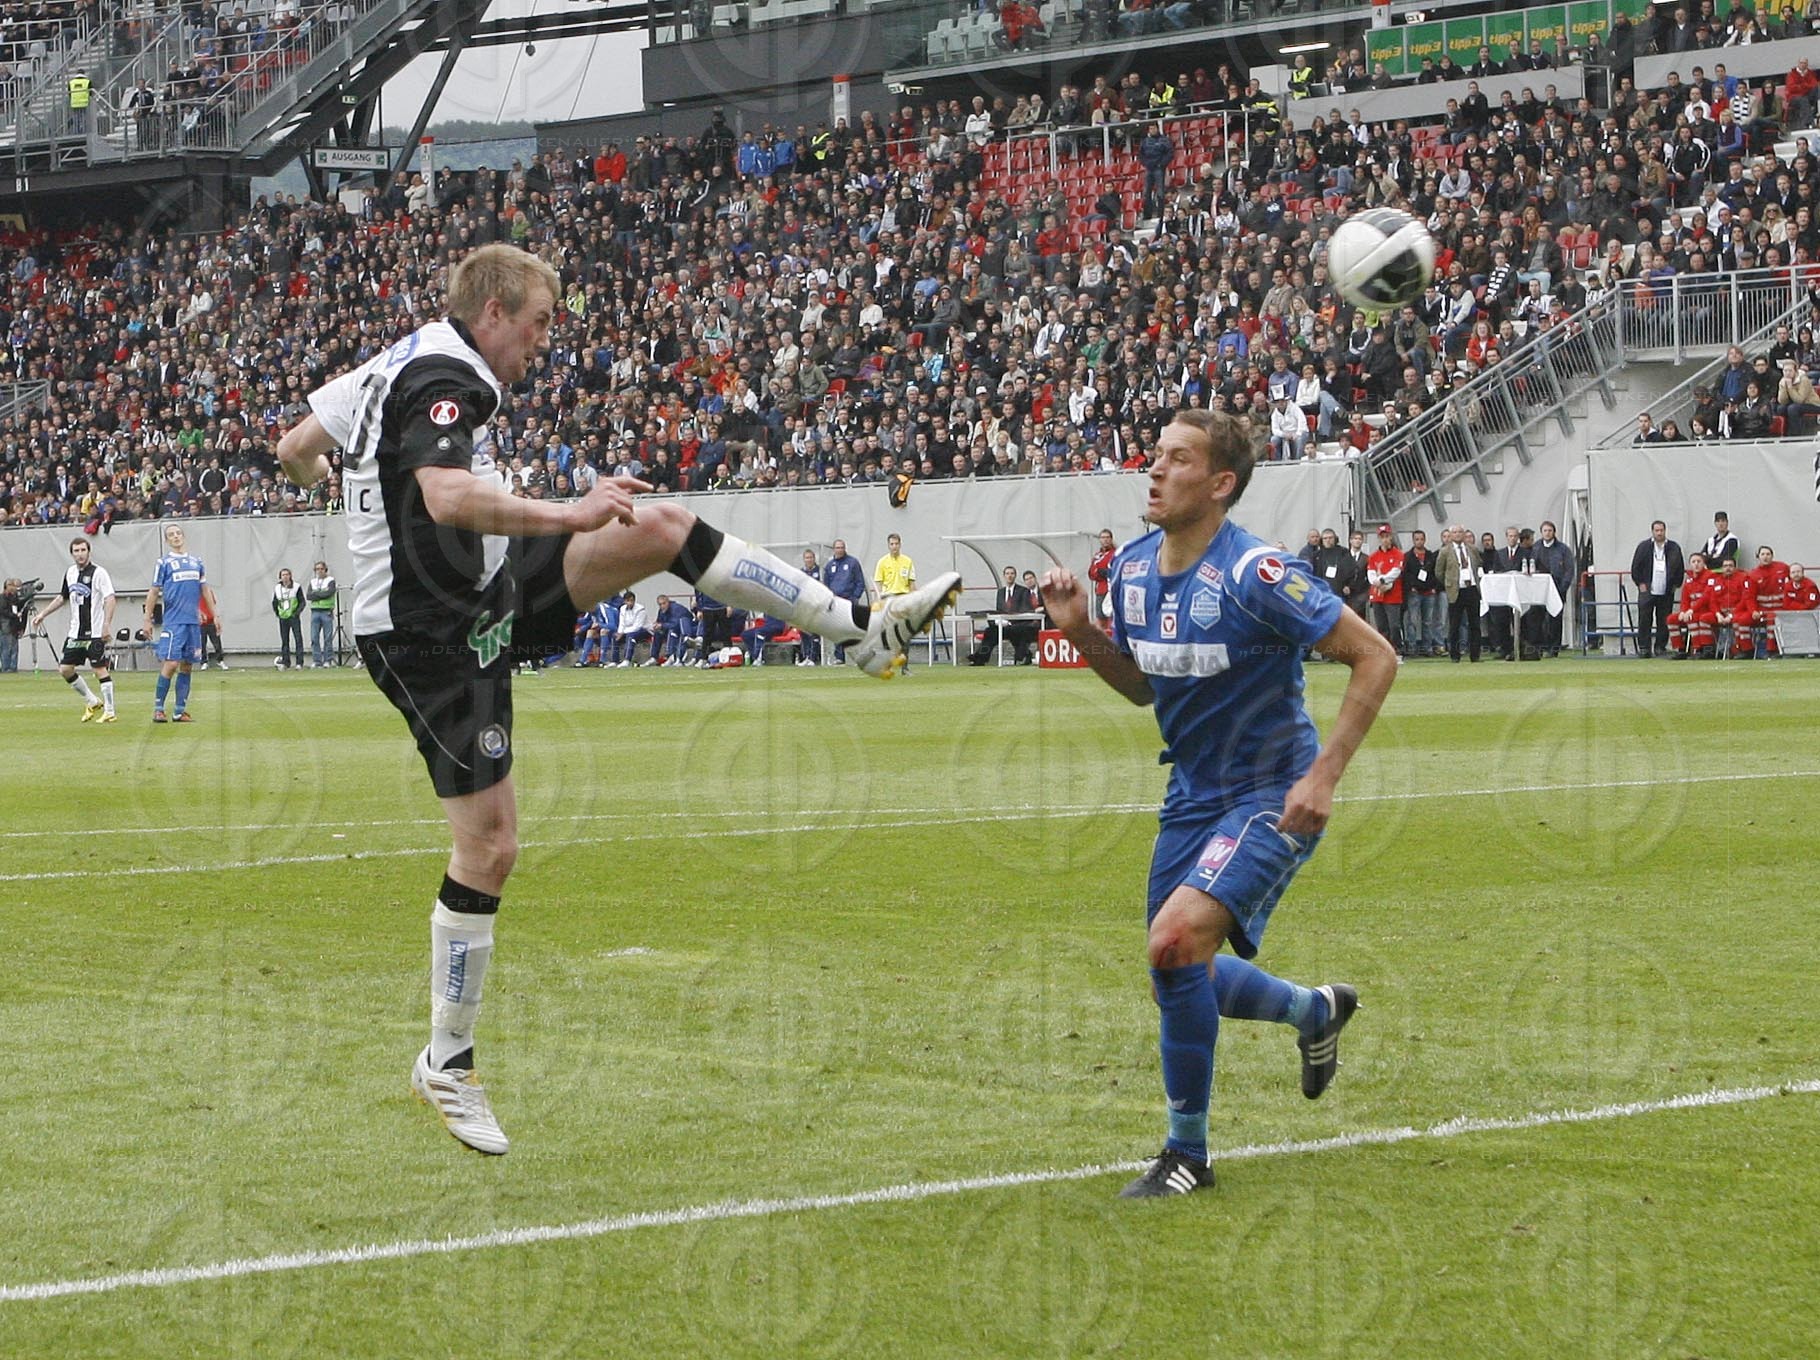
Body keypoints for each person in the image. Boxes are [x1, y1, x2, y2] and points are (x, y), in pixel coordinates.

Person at [276, 243, 960, 1155]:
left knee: (662, 524)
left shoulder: (389, 361)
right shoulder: (448, 371)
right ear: (493, 310)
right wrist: (562, 512)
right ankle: (447, 1061)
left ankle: (861, 630)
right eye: (539, 323)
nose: (543, 343)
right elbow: (442, 496)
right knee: (490, 847)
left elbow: (293, 451)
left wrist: (357, 504)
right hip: (427, 633)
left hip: (475, 591)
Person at [1040, 411, 1396, 1198]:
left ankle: (1187, 1156)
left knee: (1174, 943)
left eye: (1176, 460)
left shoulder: (1257, 574)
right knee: (1175, 965)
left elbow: (1376, 656)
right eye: (1155, 456)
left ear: (1221, 484)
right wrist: (1079, 631)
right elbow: (1141, 688)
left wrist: (1324, 776)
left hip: (1273, 790)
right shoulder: (1130, 571)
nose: (1154, 470)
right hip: (1192, 791)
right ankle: (1313, 1011)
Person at [30, 538, 118, 722]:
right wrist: (43, 614)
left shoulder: (99, 573)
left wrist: (106, 625)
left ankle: (110, 711)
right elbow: (62, 597)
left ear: (89, 551)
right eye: (76, 551)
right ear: (72, 553)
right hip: (75, 632)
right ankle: (92, 700)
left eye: (83, 550)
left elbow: (110, 598)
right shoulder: (70, 573)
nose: (80, 554)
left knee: (99, 668)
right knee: (65, 669)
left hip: (94, 632)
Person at [143, 524, 215, 722]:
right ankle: (158, 708)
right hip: (174, 622)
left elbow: (204, 590)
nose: (175, 537)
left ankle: (179, 710)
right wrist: (147, 619)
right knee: (171, 663)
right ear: (167, 541)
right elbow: (154, 591)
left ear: (183, 536)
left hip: (193, 622)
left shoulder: (196, 562)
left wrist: (214, 615)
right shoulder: (163, 563)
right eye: (171, 535)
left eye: (178, 533)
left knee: (187, 665)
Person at [1629, 520, 1685, 658]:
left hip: (1666, 590)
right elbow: (1635, 566)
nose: (1659, 533)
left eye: (1661, 530)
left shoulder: (1673, 547)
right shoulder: (1643, 547)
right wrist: (1640, 583)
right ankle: (1644, 648)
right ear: (1652, 531)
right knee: (1644, 619)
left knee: (1664, 619)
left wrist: (1675, 585)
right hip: (1648, 590)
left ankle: (1660, 646)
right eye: (1657, 530)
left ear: (1665, 531)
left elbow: (1680, 567)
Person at [971, 565, 1035, 665]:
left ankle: (1025, 654)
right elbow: (999, 610)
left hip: (1017, 625)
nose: (1009, 576)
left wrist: (1010, 621)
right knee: (990, 631)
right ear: (1004, 576)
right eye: (1007, 574)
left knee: (1015, 632)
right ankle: (980, 658)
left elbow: (1025, 610)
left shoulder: (1023, 591)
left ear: (1015, 576)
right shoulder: (1000, 592)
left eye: (1012, 574)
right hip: (1003, 625)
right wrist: (998, 621)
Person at [1438, 525, 1482, 662]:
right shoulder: (1445, 551)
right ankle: (1455, 655)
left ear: (1464, 534)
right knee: (1455, 624)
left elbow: (1479, 565)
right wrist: (1449, 583)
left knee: (1474, 624)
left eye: (1460, 532)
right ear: (1450, 535)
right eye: (1455, 532)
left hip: (1472, 589)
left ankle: (1475, 655)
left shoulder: (1472, 549)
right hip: (1456, 590)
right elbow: (1439, 572)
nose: (1457, 534)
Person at [1533, 521, 1576, 657]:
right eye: (1545, 530)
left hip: (1557, 589)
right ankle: (1540, 647)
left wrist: (1563, 588)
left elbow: (1569, 570)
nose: (1547, 533)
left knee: (1555, 619)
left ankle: (1554, 648)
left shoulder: (1563, 549)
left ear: (1554, 532)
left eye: (1550, 530)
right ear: (1541, 532)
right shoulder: (1536, 548)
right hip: (1539, 590)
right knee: (1538, 619)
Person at [822, 539, 867, 664]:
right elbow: (826, 585)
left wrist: (855, 597)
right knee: (837, 630)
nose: (839, 550)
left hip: (849, 601)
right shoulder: (830, 565)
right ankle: (839, 657)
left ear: (845, 548)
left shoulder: (853, 563)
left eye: (841, 547)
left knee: (854, 628)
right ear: (834, 549)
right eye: (837, 548)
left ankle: (861, 655)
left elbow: (860, 582)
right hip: (836, 602)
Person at [1401, 529, 1443, 658]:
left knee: (1427, 621)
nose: (1419, 541)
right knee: (1412, 621)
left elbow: (1437, 572)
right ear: (1413, 540)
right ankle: (1412, 647)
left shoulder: (1431, 556)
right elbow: (1405, 575)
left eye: (1421, 539)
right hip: (1414, 592)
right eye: (1417, 539)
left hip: (1429, 592)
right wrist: (1411, 587)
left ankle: (1427, 647)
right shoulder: (1407, 556)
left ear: (1425, 540)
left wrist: (1434, 587)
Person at [1366, 525, 1405, 653]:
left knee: (1394, 625)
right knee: (1381, 625)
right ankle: (1384, 650)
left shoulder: (1398, 554)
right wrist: (1377, 583)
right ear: (1379, 539)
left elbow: (1396, 572)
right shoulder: (1373, 556)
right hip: (1377, 594)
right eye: (1382, 537)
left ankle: (1397, 648)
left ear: (1391, 537)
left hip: (1393, 595)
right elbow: (1371, 573)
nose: (1385, 540)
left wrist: (1383, 580)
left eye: (1387, 536)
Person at [306, 561, 339, 667]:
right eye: (317, 569)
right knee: (314, 637)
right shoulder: (313, 582)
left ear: (325, 570)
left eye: (321, 569)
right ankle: (317, 661)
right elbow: (309, 596)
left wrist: (317, 594)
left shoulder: (330, 580)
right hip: (315, 611)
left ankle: (327, 660)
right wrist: (320, 594)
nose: (319, 571)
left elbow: (329, 593)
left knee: (327, 638)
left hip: (326, 611)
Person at [273, 568, 306, 669]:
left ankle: (299, 662)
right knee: (284, 640)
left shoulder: (296, 587)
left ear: (290, 576)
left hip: (293, 617)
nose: (285, 577)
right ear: (280, 577)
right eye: (283, 575)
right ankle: (286, 662)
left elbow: (302, 602)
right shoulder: (277, 588)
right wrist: (277, 613)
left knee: (298, 639)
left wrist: (296, 613)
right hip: (283, 617)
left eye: (287, 574)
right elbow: (275, 601)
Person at [610, 589, 651, 665]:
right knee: (615, 636)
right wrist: (619, 633)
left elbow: (637, 626)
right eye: (628, 601)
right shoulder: (622, 609)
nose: (630, 603)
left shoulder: (640, 609)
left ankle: (627, 660)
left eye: (632, 601)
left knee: (630, 636)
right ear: (624, 601)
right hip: (628, 630)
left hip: (644, 630)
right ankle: (614, 661)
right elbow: (622, 623)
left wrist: (623, 632)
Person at [1087, 528, 1116, 627]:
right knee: (1100, 617)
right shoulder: (1097, 555)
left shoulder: (1115, 554)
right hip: (1100, 590)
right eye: (1103, 537)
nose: (1105, 540)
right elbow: (1092, 573)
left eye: (1107, 537)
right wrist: (1100, 572)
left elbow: (1112, 571)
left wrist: (1102, 571)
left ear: (1111, 539)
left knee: (1111, 617)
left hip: (1111, 590)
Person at [0, 578, 27, 673]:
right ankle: (6, 667)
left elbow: (18, 606)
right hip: (6, 625)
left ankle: (13, 667)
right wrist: (14, 615)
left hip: (14, 625)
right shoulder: (2, 597)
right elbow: (3, 611)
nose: (13, 588)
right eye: (10, 585)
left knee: (14, 647)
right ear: (6, 587)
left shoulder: (14, 598)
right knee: (6, 646)